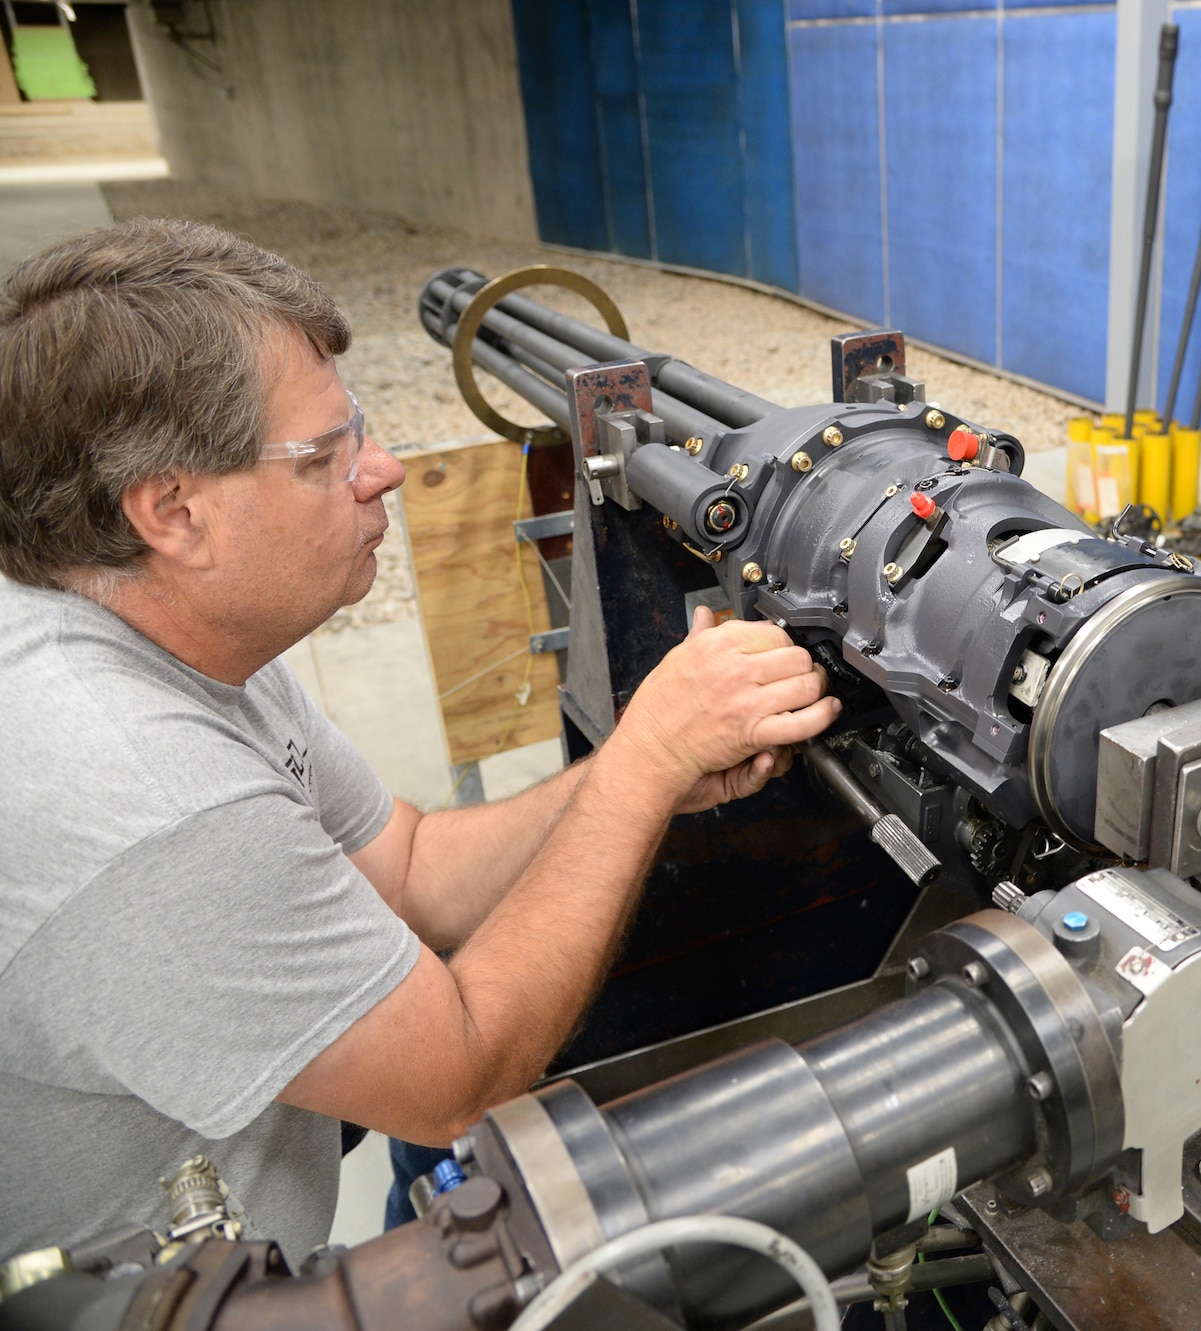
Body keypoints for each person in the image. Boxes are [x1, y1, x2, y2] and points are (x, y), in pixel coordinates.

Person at [0, 219, 840, 1264]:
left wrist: (654, 778)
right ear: (173, 509)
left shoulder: (171, 628)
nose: (384, 469)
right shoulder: (147, 797)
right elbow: (453, 1080)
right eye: (326, 454)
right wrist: (640, 763)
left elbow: (405, 868)